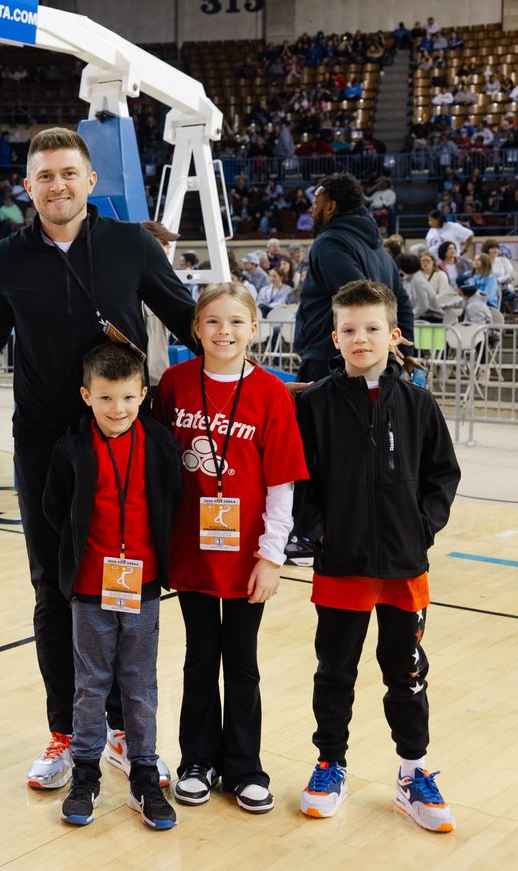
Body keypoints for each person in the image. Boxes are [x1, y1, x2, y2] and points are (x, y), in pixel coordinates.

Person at [0, 127, 196, 790]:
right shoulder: (8, 258)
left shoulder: (131, 246)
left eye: (69, 173)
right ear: (29, 187)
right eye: (44, 176)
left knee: (130, 587)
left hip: (127, 443)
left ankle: (124, 731)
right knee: (54, 590)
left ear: (90, 181)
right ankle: (67, 731)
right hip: (45, 449)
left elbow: (188, 319)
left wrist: (255, 379)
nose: (57, 185)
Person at [293, 280, 461, 833]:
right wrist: (319, 533)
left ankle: (413, 772)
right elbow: (300, 482)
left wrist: (422, 528)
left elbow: (442, 474)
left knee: (406, 673)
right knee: (334, 672)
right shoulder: (314, 404)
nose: (359, 338)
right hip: (341, 565)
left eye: (371, 328)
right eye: (348, 330)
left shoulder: (417, 401)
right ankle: (329, 763)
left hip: (403, 567)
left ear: (393, 334)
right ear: (334, 336)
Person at [154, 283, 308, 815]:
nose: (225, 332)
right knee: (199, 659)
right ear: (196, 329)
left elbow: (282, 483)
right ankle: (197, 760)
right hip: (192, 550)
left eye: (237, 322)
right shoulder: (174, 384)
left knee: (242, 661)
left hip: (247, 555)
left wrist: (272, 556)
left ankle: (245, 767)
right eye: (213, 321)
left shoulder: (271, 392)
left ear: (255, 329)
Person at [43, 343, 181, 830]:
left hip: (141, 588)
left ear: (143, 394)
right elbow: (56, 509)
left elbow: (173, 504)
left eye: (126, 397)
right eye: (105, 398)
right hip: (89, 590)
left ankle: (143, 773)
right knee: (90, 685)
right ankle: (85, 773)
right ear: (86, 396)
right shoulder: (71, 447)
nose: (116, 409)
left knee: (140, 684)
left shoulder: (161, 445)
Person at [293, 174, 414, 383]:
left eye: (316, 203)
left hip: (330, 360)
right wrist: (403, 351)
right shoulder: (381, 253)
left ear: (330, 207)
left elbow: (357, 296)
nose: (311, 210)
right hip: (373, 359)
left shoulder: (328, 243)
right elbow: (402, 303)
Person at [139, 219, 179, 402]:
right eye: (164, 242)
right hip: (144, 379)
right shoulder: (136, 284)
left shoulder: (158, 281)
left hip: (155, 376)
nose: (169, 248)